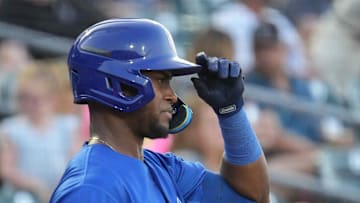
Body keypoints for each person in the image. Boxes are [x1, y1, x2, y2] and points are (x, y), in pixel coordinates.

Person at [50, 18, 269, 203]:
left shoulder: (163, 168)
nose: (172, 95)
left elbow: (252, 196)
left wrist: (231, 111)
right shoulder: (91, 189)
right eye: (162, 81)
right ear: (120, 87)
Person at [0, 62, 80, 203]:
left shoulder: (68, 125)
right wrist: (37, 187)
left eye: (37, 100)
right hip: (22, 192)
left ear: (52, 98)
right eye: (25, 98)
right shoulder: (11, 128)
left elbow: (74, 161)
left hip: (60, 188)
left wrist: (59, 187)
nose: (30, 105)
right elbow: (6, 168)